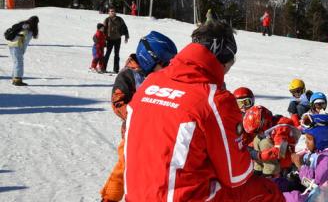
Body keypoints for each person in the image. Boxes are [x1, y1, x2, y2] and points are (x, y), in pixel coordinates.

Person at [124, 19, 284, 202]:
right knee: (268, 191)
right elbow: (236, 176)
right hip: (180, 197)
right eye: (228, 66)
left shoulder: (150, 83)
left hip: (135, 195)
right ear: (221, 60)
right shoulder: (215, 99)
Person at [100, 31, 177, 202]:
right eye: (165, 64)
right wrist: (139, 113)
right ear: (150, 59)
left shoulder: (161, 76)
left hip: (158, 131)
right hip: (133, 132)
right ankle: (109, 198)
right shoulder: (128, 75)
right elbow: (117, 102)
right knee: (125, 166)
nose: (168, 68)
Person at [285, 114, 328, 202]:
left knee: (290, 198)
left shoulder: (327, 160)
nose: (306, 142)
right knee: (280, 183)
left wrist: (300, 166)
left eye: (309, 139)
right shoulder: (324, 151)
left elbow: (314, 184)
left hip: (323, 197)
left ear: (322, 140)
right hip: (318, 191)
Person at [243, 105, 300, 179]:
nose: (256, 133)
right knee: (257, 139)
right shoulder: (269, 126)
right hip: (276, 158)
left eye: (257, 131)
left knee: (264, 143)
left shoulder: (282, 128)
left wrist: (258, 155)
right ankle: (258, 169)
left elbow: (280, 151)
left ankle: (271, 173)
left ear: (264, 121)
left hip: (284, 161)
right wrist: (247, 149)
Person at [6, 16, 39, 86]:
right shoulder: (29, 30)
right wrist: (22, 50)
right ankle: (17, 79)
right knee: (19, 62)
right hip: (17, 45)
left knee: (16, 62)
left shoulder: (22, 24)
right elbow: (25, 42)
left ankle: (14, 78)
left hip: (11, 44)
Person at [103, 6, 130, 73]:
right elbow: (103, 30)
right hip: (109, 39)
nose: (111, 12)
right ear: (108, 12)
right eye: (110, 11)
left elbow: (125, 28)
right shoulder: (107, 20)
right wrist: (103, 39)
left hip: (117, 39)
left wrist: (126, 36)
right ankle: (103, 67)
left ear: (115, 12)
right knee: (107, 53)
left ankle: (116, 69)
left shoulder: (120, 19)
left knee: (117, 54)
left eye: (113, 11)